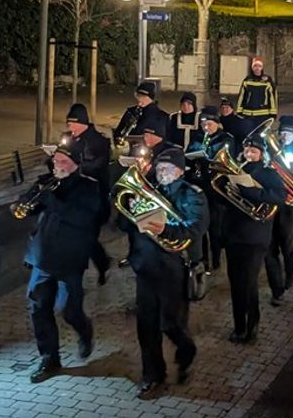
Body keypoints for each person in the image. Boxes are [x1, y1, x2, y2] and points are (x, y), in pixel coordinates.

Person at [117, 147, 209, 397]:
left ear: (180, 171)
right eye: (159, 169)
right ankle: (153, 376)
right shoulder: (149, 191)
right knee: (146, 326)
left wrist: (165, 230)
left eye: (166, 169)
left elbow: (195, 228)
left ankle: (186, 350)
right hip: (145, 267)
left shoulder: (192, 195)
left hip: (174, 269)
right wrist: (132, 211)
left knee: (171, 324)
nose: (161, 173)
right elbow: (123, 224)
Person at [17, 144, 99, 383]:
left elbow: (81, 219)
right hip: (42, 257)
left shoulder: (88, 187)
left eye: (62, 161)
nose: (56, 165)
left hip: (69, 259)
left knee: (69, 310)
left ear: (74, 164)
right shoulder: (46, 181)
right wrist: (25, 203)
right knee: (39, 308)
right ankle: (49, 359)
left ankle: (84, 330)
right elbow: (28, 204)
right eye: (55, 161)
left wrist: (51, 199)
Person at [222, 136, 284, 343]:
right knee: (235, 282)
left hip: (256, 236)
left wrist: (252, 192)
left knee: (248, 283)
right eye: (247, 151)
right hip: (234, 235)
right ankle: (238, 325)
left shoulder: (269, 174)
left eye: (254, 152)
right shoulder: (237, 172)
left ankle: (251, 327)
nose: (249, 155)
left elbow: (279, 197)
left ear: (261, 154)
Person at [63, 103, 112, 286]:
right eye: (68, 124)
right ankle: (78, 274)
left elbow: (99, 166)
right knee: (78, 236)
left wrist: (77, 167)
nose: (69, 128)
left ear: (82, 123)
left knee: (88, 237)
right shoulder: (68, 138)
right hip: (73, 195)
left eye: (72, 124)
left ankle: (101, 264)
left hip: (94, 198)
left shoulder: (99, 141)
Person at [189, 106, 235, 271]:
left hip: (217, 188)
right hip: (200, 186)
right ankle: (204, 260)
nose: (206, 127)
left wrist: (207, 157)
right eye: (204, 125)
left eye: (209, 124)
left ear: (217, 123)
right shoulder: (198, 137)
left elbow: (227, 159)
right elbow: (189, 153)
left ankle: (215, 259)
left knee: (215, 227)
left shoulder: (226, 138)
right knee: (200, 226)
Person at [265, 115, 293, 305]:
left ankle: (290, 274)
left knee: (288, 247)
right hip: (272, 205)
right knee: (269, 249)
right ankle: (277, 289)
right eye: (282, 133)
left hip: (290, 208)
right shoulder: (271, 151)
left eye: (288, 133)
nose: (284, 136)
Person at [236, 57, 278, 130]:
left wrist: (273, 113)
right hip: (248, 114)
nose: (257, 68)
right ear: (252, 68)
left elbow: (272, 97)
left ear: (262, 68)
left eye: (259, 66)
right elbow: (241, 96)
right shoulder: (247, 80)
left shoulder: (267, 80)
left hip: (263, 114)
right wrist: (239, 111)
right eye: (255, 66)